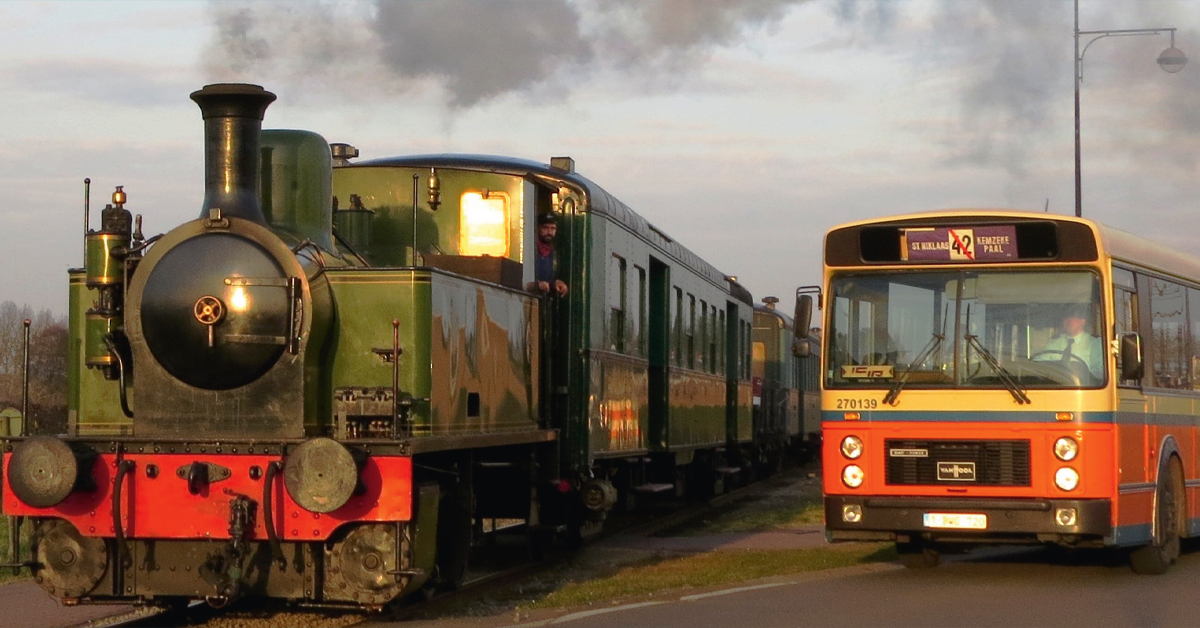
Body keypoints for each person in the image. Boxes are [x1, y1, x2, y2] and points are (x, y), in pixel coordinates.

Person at [1038, 305, 1104, 379]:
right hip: (1056, 384)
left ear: (1083, 321)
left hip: (1084, 387)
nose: (1069, 320)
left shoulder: (1094, 344)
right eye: (1066, 318)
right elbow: (1039, 363)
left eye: (1073, 317)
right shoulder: (1054, 343)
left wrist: (1081, 374)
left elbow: (1100, 371)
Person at [530, 213, 568, 297]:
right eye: (545, 228)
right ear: (538, 228)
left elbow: (549, 279)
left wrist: (557, 283)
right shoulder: (530, 248)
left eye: (553, 228)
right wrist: (536, 285)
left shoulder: (554, 253)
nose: (549, 232)